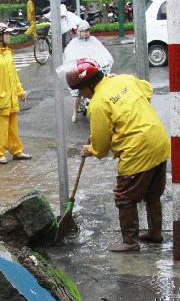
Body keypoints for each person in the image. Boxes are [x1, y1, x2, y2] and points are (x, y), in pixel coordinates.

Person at [67, 59, 171, 253]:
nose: (82, 95)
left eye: (81, 91)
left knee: (125, 197)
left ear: (89, 86)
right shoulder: (124, 79)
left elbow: (101, 146)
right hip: (159, 141)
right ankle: (155, 233)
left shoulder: (98, 103)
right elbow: (147, 90)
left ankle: (130, 242)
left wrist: (89, 150)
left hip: (137, 149)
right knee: (152, 194)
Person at [0, 23, 32, 164]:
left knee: (12, 127)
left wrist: (20, 91)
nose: (10, 36)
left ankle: (16, 151)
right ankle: (0, 154)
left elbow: (13, 74)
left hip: (11, 98)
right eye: (7, 34)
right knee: (0, 128)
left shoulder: (8, 52)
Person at [62, 21, 113, 122]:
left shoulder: (93, 40)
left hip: (93, 71)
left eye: (88, 30)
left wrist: (105, 62)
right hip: (81, 72)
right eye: (84, 31)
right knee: (79, 93)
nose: (86, 33)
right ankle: (75, 112)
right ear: (79, 32)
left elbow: (102, 52)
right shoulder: (73, 43)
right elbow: (69, 56)